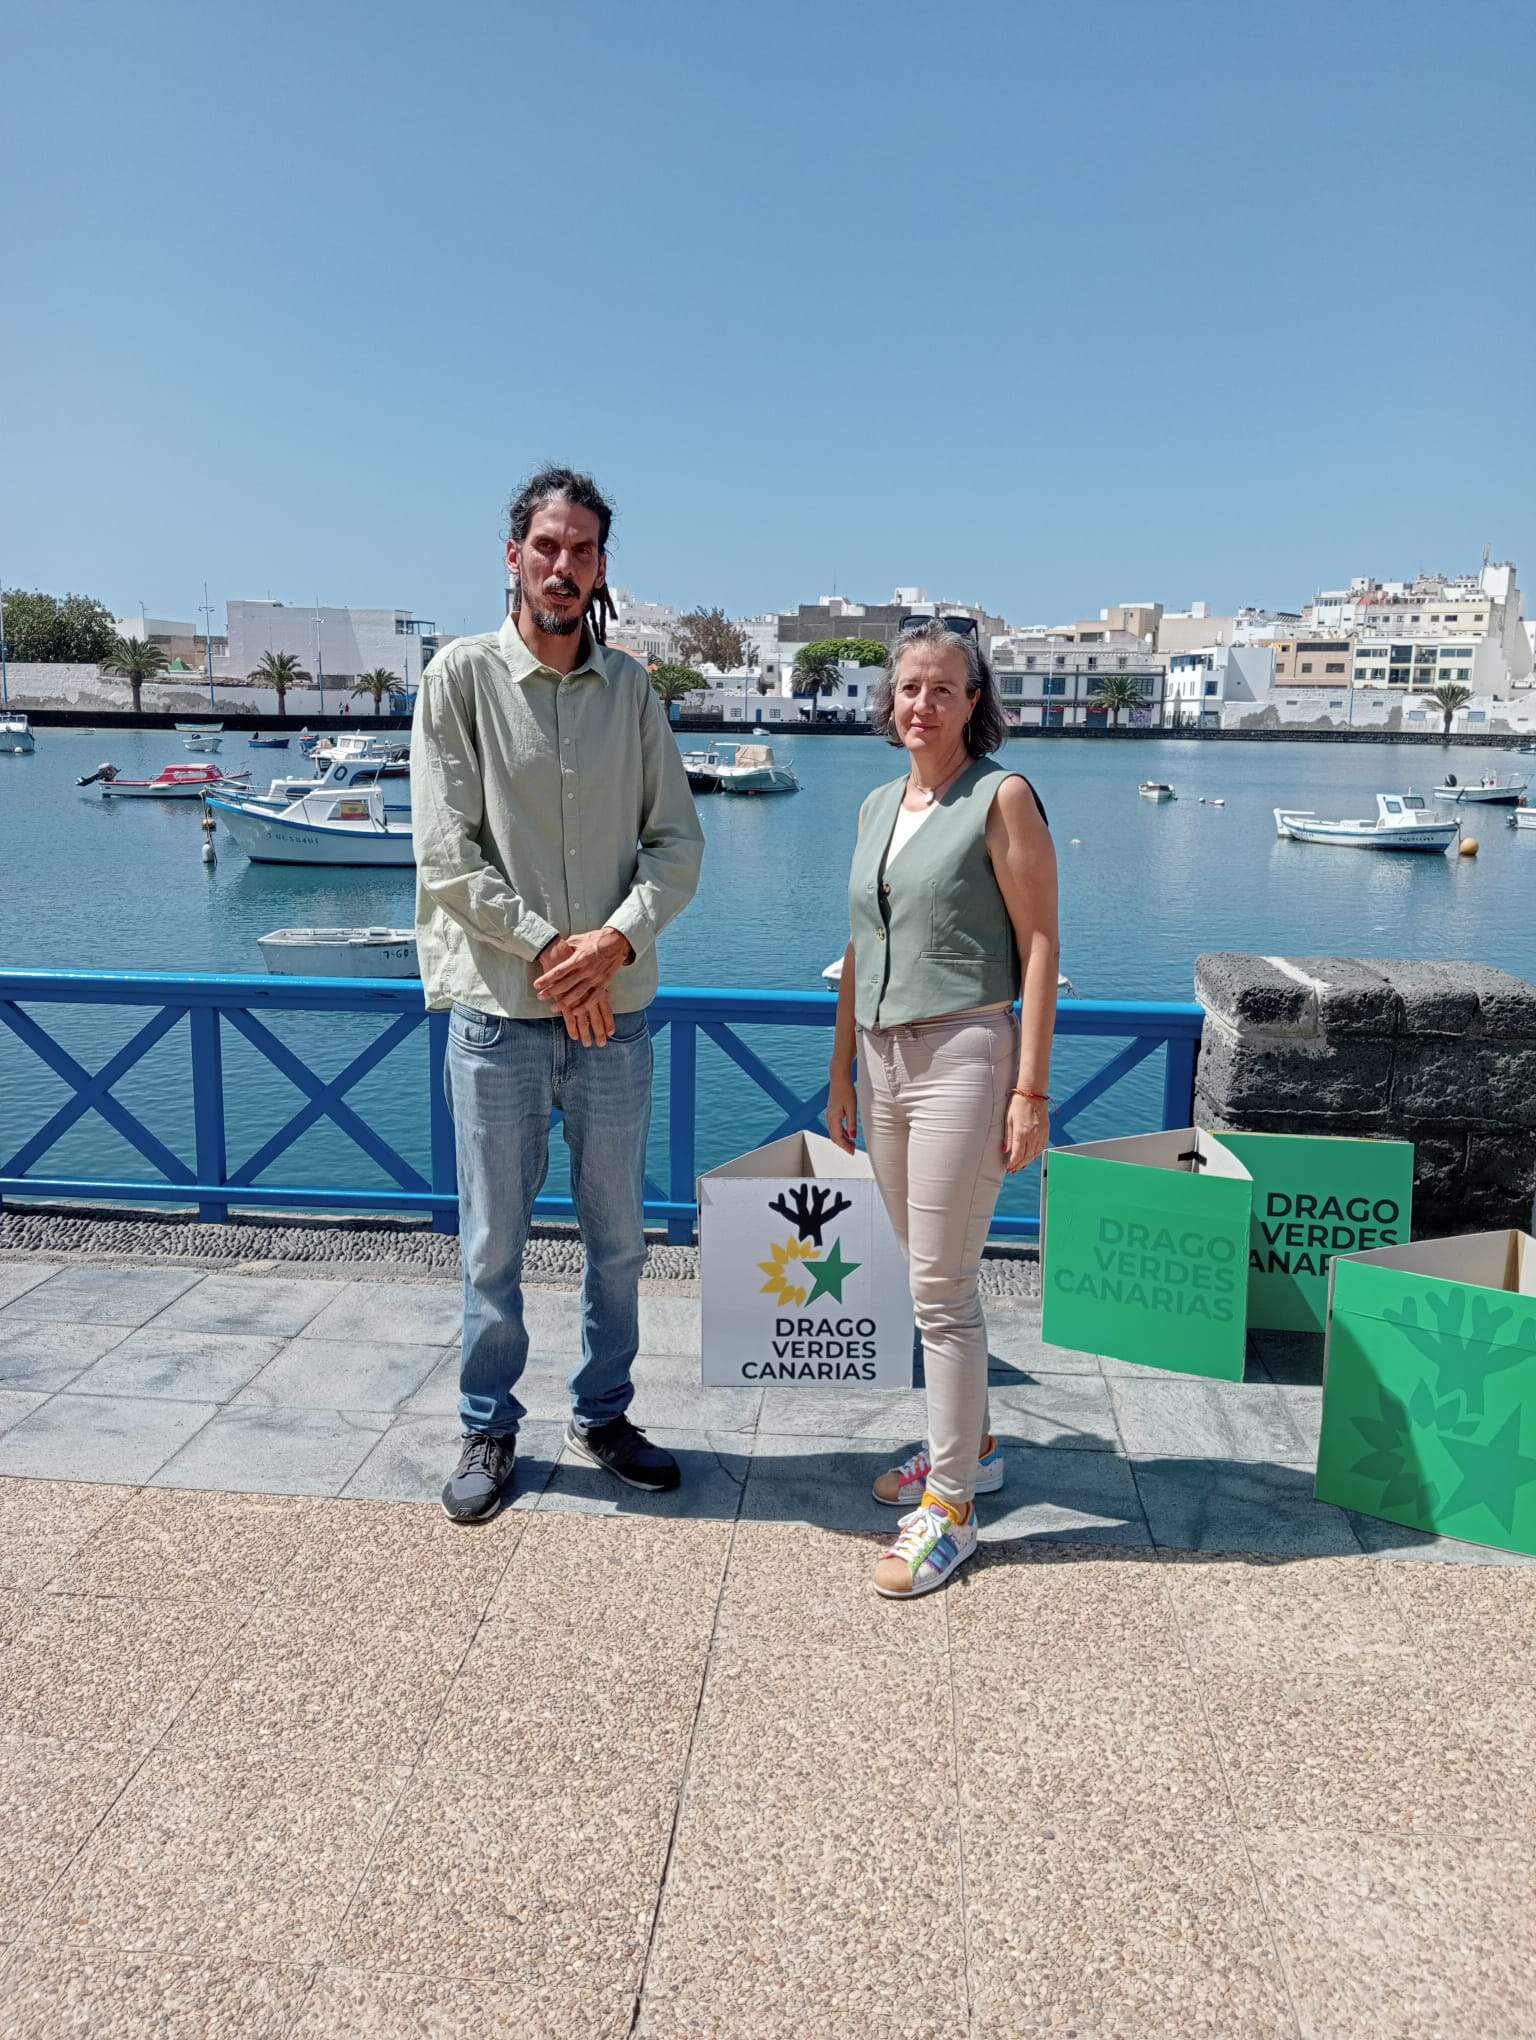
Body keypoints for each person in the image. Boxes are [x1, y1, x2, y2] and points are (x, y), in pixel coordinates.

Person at [412, 466, 705, 1523]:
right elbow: (447, 854)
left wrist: (613, 944)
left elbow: (677, 844)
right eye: (547, 545)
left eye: (582, 550)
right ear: (514, 556)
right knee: (493, 1242)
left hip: (614, 1020)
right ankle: (488, 1426)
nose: (563, 565)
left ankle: (604, 1415)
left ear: (601, 567)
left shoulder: (633, 693)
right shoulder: (458, 679)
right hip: (500, 1017)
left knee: (617, 1240)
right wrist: (555, 954)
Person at [827, 617, 1059, 1598]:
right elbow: (859, 945)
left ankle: (952, 1509)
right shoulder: (879, 804)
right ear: (891, 701)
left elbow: (1040, 945)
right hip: (881, 1060)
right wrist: (841, 1070)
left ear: (974, 705)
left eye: (943, 689)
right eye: (909, 687)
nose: (922, 704)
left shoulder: (1000, 797)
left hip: (964, 1052)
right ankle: (974, 1445)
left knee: (941, 1288)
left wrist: (1030, 1089)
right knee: (919, 1272)